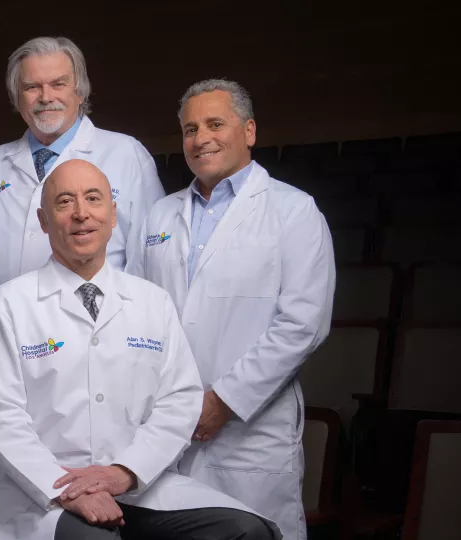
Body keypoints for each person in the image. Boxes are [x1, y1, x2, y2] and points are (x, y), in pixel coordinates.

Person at [0, 159, 278, 540]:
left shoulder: (153, 302)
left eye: (93, 199)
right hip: (45, 491)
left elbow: (178, 402)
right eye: (65, 202)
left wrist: (125, 472)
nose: (81, 213)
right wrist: (64, 488)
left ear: (113, 214)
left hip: (138, 485)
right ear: (43, 220)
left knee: (245, 531)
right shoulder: (7, 305)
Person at [126, 79, 336, 540]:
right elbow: (136, 313)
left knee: (253, 531)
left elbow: (304, 324)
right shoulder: (159, 216)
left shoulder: (294, 211)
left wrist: (224, 400)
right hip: (164, 420)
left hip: (250, 427)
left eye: (215, 124)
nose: (201, 138)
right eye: (189, 129)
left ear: (250, 131)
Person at [0, 36, 165, 318]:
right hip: (2, 330)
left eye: (58, 84)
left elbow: (148, 258)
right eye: (32, 87)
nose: (46, 97)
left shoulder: (127, 155)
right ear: (17, 97)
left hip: (99, 328)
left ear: (80, 91)